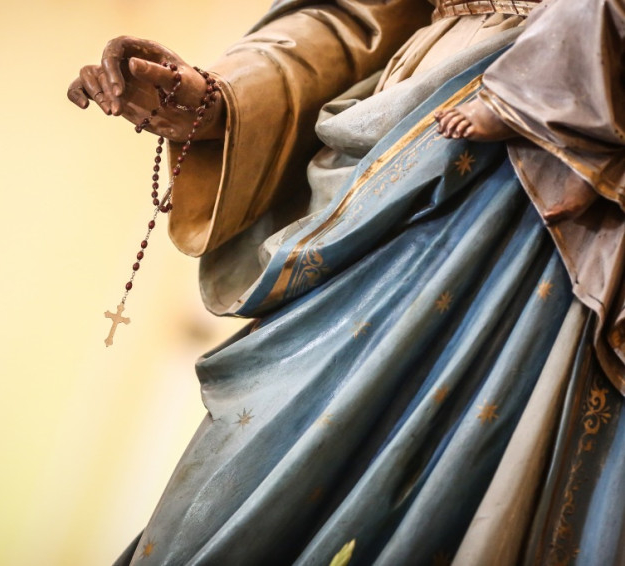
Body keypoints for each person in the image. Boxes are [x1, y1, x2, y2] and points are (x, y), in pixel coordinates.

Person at [69, 0, 625, 564]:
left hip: (557, 135)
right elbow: (352, 18)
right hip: (404, 142)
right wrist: (222, 97)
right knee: (233, 495)